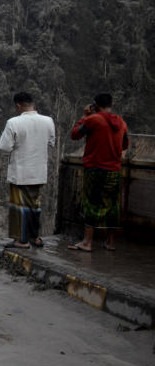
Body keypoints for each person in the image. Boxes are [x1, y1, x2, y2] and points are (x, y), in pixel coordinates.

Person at [68, 93, 129, 252]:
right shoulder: (121, 123)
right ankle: (110, 242)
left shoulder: (93, 120)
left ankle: (87, 242)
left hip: (94, 168)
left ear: (95, 105)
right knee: (112, 205)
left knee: (91, 202)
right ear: (112, 104)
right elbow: (125, 145)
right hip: (114, 170)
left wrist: (84, 116)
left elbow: (75, 134)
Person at [0, 91, 56, 249]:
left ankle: (21, 240)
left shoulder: (13, 122)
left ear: (18, 105)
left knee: (20, 207)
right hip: (39, 171)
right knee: (34, 206)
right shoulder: (48, 121)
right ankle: (35, 237)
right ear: (32, 103)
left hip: (21, 171)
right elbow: (51, 142)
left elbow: (4, 147)